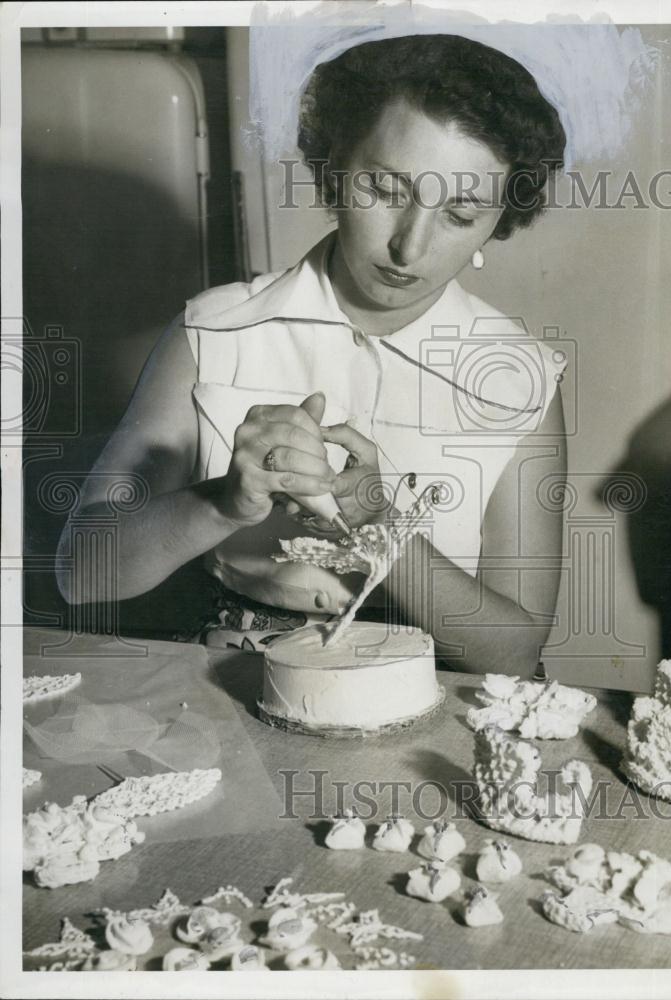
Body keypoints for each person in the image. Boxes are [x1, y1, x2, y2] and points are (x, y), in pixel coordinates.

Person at [57, 34, 568, 677]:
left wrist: (384, 525)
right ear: (334, 170)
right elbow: (82, 574)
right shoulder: (210, 332)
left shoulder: (519, 380)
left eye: (460, 215)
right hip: (243, 688)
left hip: (439, 704)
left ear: (498, 223)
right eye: (385, 189)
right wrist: (225, 504)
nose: (409, 248)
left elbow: (517, 652)